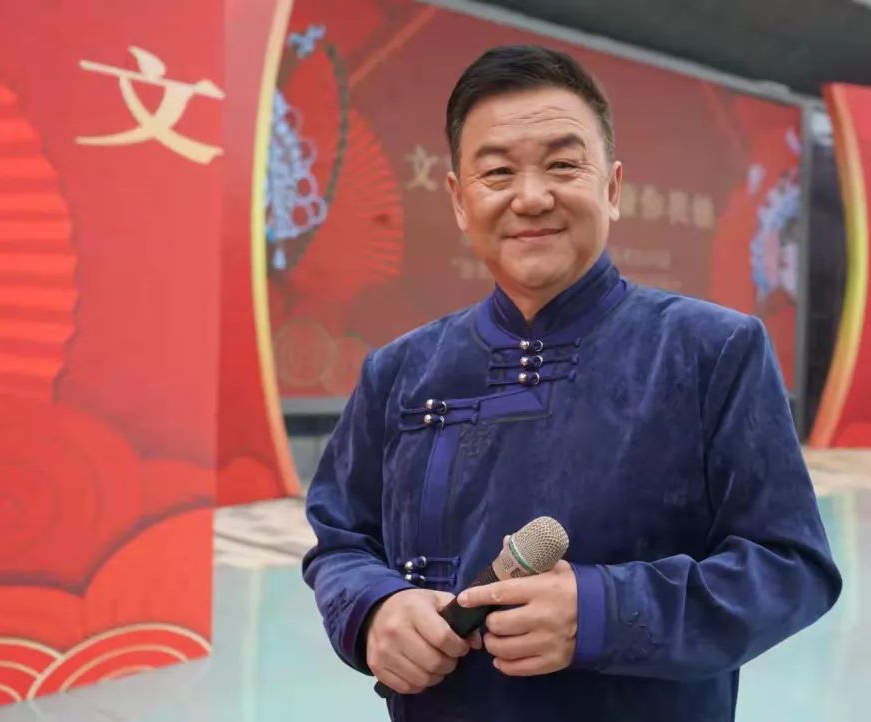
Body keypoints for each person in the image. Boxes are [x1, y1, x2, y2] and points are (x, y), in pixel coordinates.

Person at [303, 44, 841, 722]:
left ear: (612, 189)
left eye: (562, 165)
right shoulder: (399, 371)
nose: (531, 197)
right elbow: (342, 540)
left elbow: (791, 567)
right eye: (498, 172)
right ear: (460, 201)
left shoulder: (713, 351)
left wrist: (601, 612)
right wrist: (375, 609)